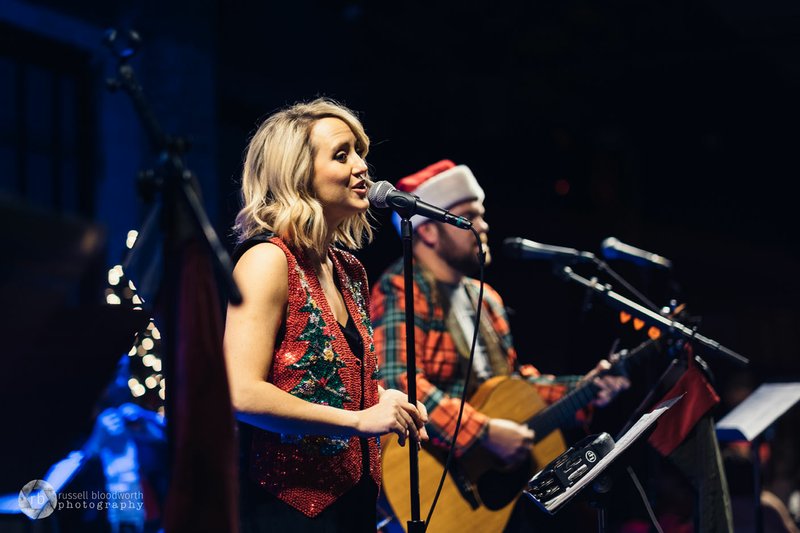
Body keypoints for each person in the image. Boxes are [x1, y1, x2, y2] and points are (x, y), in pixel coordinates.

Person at [370, 160, 630, 531]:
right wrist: (484, 434)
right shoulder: (401, 290)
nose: (483, 225)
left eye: (482, 214)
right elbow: (400, 383)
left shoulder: (485, 298)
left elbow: (512, 386)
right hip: (437, 484)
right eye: (469, 215)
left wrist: (585, 387)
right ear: (427, 233)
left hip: (498, 491)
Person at [223, 98, 429, 533]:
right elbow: (240, 390)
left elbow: (328, 378)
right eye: (342, 154)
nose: (362, 167)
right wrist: (358, 421)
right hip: (286, 512)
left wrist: (382, 398)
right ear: (297, 173)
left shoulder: (348, 269)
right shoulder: (267, 260)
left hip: (354, 507)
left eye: (360, 153)